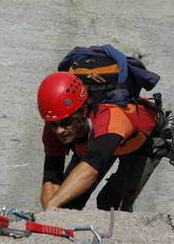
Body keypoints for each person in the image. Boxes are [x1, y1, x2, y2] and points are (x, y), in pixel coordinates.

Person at [38, 71, 163, 212]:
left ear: (83, 111)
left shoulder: (110, 118)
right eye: (53, 124)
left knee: (110, 203)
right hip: (93, 143)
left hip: (141, 144)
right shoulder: (55, 121)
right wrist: (49, 213)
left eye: (66, 122)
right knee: (67, 202)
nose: (59, 130)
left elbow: (91, 167)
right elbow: (51, 177)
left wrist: (52, 205)